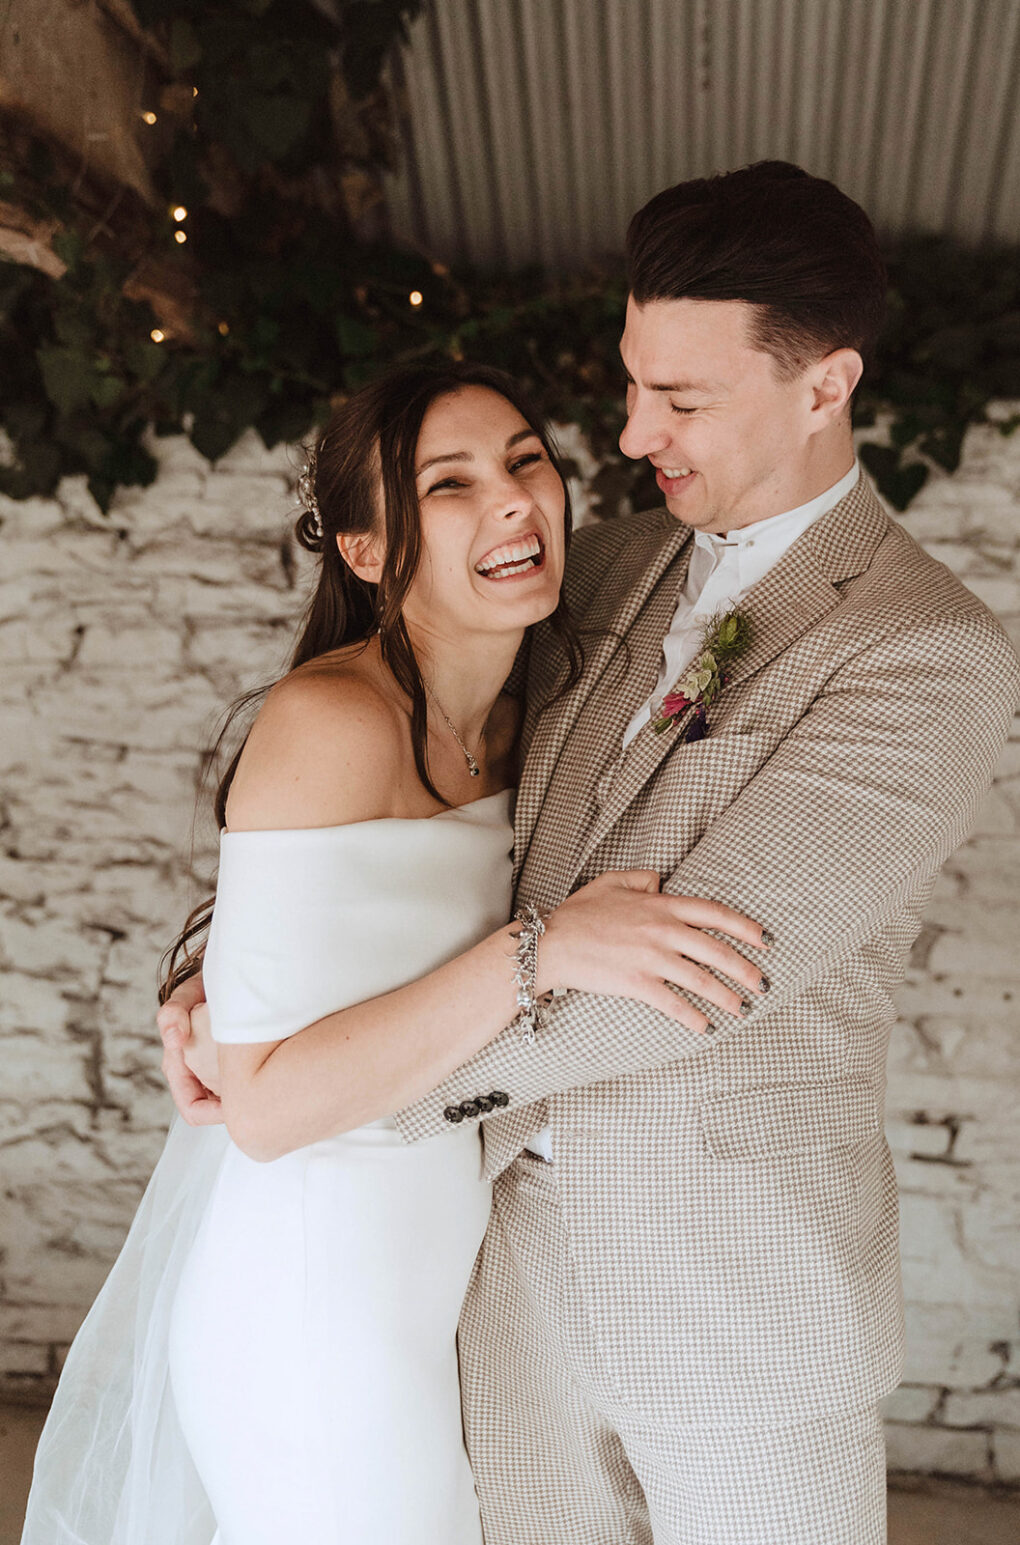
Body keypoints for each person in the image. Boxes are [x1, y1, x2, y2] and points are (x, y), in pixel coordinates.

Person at [164, 161, 1019, 1545]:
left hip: (735, 1295)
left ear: (824, 383)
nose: (631, 434)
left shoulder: (924, 652)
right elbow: (416, 765)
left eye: (680, 400)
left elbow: (699, 967)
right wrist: (241, 983)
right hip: (499, 1284)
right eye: (630, 386)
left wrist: (325, 1098)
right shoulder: (605, 565)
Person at [21, 362, 768, 1545]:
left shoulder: (535, 708)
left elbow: (341, 938)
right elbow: (264, 1112)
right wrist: (548, 949)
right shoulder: (332, 722)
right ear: (368, 552)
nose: (514, 501)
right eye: (450, 485)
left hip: (426, 1290)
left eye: (526, 460)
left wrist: (205, 981)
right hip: (309, 1307)